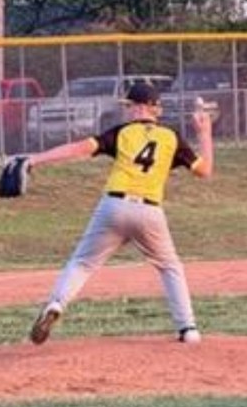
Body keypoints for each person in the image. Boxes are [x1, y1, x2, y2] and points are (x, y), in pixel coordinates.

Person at [26, 82, 214, 346]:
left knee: (82, 263)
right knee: (170, 267)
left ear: (140, 107)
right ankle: (188, 328)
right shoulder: (171, 138)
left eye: (129, 106)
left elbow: (79, 148)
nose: (127, 111)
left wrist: (34, 160)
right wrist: (204, 133)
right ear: (156, 109)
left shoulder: (122, 133)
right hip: (149, 210)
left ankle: (56, 304)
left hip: (113, 206)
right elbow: (204, 171)